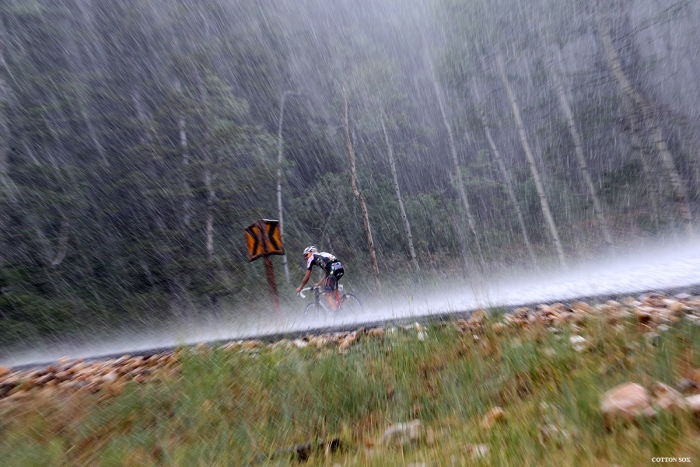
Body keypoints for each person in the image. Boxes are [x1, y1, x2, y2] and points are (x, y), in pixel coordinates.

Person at [296, 245, 344, 311]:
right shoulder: (322, 255)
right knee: (330, 290)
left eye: (306, 255)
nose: (306, 257)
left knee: (327, 295)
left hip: (333, 269)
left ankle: (336, 316)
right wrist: (319, 283)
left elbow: (307, 277)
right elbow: (327, 272)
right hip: (340, 268)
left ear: (312, 252)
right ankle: (341, 304)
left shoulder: (312, 258)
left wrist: (301, 287)